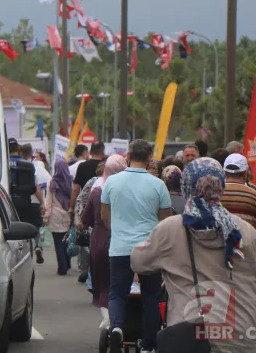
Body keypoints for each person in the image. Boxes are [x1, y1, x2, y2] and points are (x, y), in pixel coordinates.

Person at [131, 157, 256, 353]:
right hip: (242, 339)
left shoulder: (171, 229)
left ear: (187, 187)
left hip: (189, 340)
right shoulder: (245, 231)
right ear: (221, 187)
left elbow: (138, 262)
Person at [100, 139, 172, 353]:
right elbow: (165, 220)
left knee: (117, 294)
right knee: (150, 297)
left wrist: (120, 230)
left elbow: (105, 217)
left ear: (128, 156)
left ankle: (116, 329)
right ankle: (149, 345)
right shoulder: (158, 184)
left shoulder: (111, 182)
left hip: (120, 247)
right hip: (149, 249)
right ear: (150, 158)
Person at [82, 155, 128, 330]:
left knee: (101, 284)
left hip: (99, 242)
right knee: (120, 284)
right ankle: (119, 321)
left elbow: (84, 220)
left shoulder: (96, 192)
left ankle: (108, 318)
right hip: (123, 240)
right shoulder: (127, 192)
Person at [221, 153, 256, 252]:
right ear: (246, 173)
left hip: (219, 257)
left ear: (224, 172)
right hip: (249, 257)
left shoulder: (213, 195)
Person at [70, 141, 105, 283]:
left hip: (86, 208)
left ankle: (85, 267)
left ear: (90, 152)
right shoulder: (107, 166)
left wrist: (72, 208)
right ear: (102, 152)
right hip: (103, 208)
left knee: (85, 239)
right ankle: (95, 268)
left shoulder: (82, 166)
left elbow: (76, 189)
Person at [43, 157, 72, 275]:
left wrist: (46, 217)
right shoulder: (71, 180)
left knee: (58, 242)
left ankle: (62, 268)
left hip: (55, 215)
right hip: (67, 215)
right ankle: (68, 263)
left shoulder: (52, 182)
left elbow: (48, 202)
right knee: (66, 241)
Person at [22, 144, 48, 264]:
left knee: (23, 228)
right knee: (36, 228)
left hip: (21, 202)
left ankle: (25, 252)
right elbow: (37, 187)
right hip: (35, 203)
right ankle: (37, 246)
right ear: (31, 153)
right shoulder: (35, 166)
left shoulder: (18, 165)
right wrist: (42, 202)